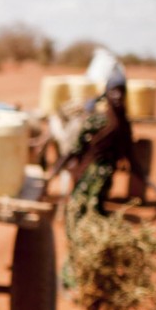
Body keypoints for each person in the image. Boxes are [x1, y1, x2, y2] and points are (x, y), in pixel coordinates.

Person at [49, 65, 145, 291]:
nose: (118, 96)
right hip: (84, 184)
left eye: (121, 92)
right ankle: (71, 278)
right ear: (106, 94)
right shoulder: (97, 122)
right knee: (76, 228)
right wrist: (54, 172)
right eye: (114, 92)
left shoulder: (123, 125)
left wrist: (143, 176)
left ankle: (90, 275)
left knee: (94, 229)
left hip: (101, 188)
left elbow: (130, 155)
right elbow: (73, 150)